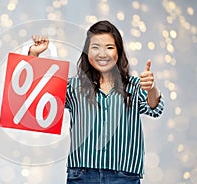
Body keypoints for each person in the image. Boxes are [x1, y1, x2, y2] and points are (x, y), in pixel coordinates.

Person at [28, 20, 164, 184]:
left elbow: (155, 108)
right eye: (95, 47)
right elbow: (39, 97)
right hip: (82, 175)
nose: (102, 53)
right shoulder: (74, 86)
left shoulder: (134, 86)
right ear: (87, 52)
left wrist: (151, 87)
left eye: (109, 47)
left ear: (118, 52)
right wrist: (34, 55)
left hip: (124, 176)